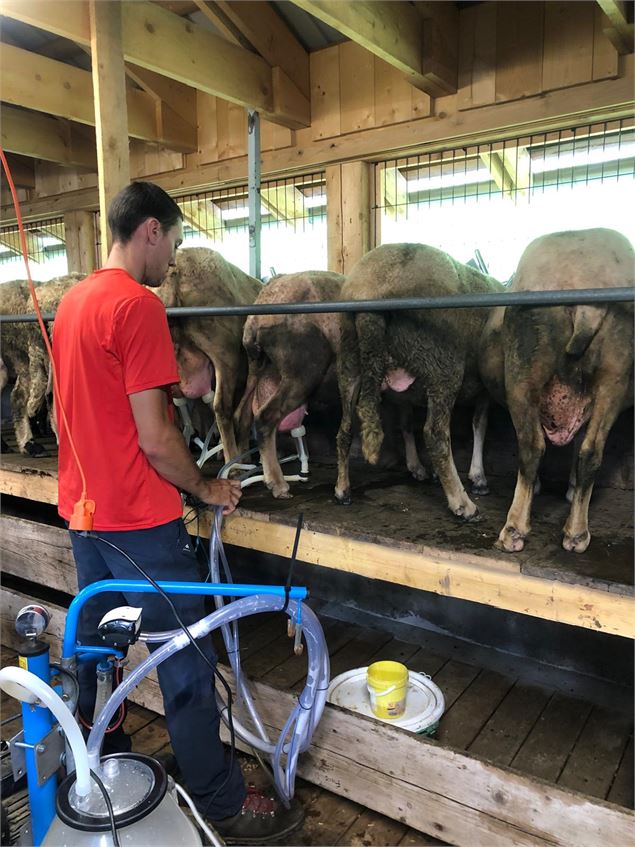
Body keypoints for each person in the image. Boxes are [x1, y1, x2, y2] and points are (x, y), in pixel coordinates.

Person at [52, 181, 303, 842]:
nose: (174, 260)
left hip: (84, 514)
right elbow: (157, 436)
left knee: (100, 644)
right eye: (176, 241)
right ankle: (218, 796)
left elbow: (61, 412)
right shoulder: (135, 307)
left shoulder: (72, 302)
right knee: (184, 658)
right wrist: (206, 487)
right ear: (150, 233)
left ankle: (100, 757)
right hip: (141, 520)